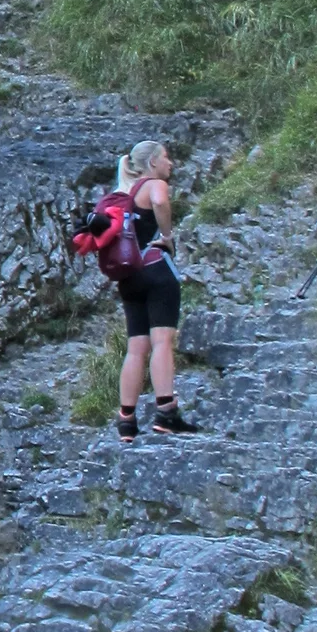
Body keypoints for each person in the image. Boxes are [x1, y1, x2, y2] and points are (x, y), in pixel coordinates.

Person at [113, 137, 195, 441]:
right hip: (156, 271)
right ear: (152, 163)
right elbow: (160, 201)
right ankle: (166, 413)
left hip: (129, 277)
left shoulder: (125, 192)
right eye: (166, 157)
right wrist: (168, 236)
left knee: (136, 347)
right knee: (162, 341)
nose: (170, 163)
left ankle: (126, 421)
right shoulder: (153, 184)